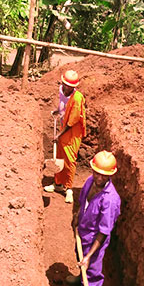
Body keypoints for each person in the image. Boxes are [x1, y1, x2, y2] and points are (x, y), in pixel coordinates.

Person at [64, 150, 122, 286]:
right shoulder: (90, 182)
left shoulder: (110, 200)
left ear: (110, 175)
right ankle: (80, 278)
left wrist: (89, 255)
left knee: (92, 272)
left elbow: (104, 231)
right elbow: (83, 202)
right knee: (79, 258)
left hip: (95, 241)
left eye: (103, 175)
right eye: (96, 172)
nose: (98, 177)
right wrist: (76, 215)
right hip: (83, 231)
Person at [45, 68, 86, 205]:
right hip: (64, 127)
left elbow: (72, 121)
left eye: (70, 86)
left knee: (69, 160)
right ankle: (58, 183)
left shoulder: (77, 98)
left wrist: (58, 135)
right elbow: (63, 106)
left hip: (72, 131)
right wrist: (58, 111)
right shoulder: (61, 90)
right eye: (65, 84)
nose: (67, 88)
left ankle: (68, 188)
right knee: (60, 157)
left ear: (74, 87)